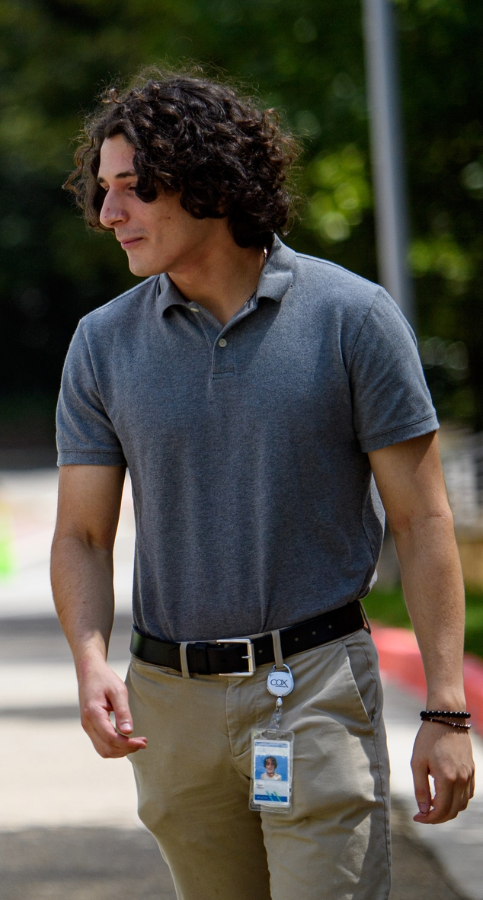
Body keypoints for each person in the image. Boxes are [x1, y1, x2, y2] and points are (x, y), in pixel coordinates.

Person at [52, 71, 476, 899]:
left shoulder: (352, 317)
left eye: (134, 190)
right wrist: (88, 659)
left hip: (316, 687)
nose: (109, 215)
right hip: (169, 705)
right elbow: (83, 535)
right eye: (103, 192)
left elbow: (423, 521)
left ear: (210, 181)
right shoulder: (101, 344)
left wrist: (447, 708)